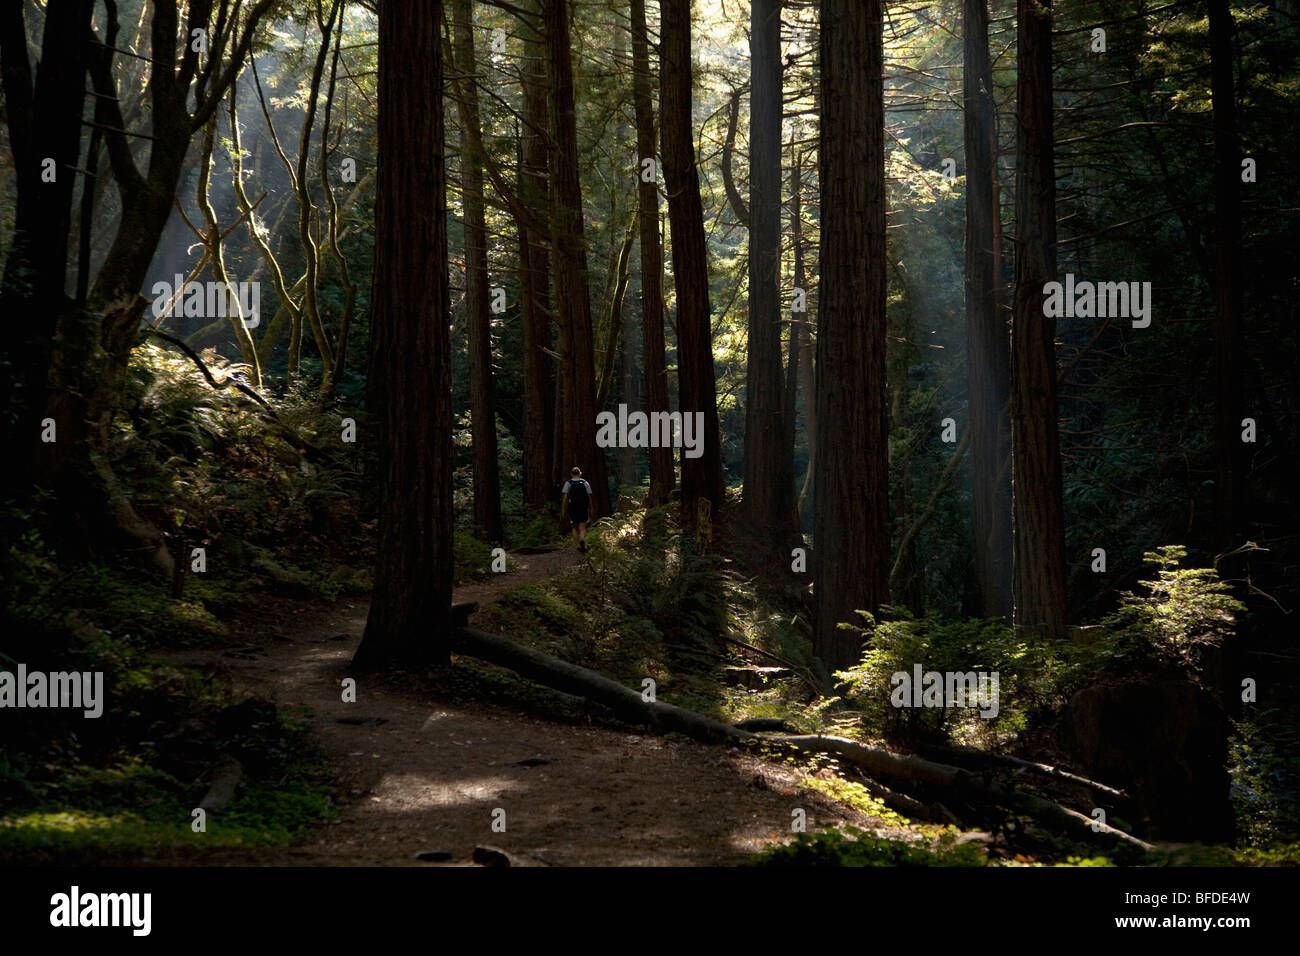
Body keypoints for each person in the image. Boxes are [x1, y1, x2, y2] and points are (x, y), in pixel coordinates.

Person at [561, 466, 594, 552]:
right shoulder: (585, 483)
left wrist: (564, 509)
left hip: (572, 507)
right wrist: (591, 507)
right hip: (583, 506)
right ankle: (582, 539)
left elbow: (565, 498)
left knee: (574, 526)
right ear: (580, 473)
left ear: (571, 474)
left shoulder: (568, 483)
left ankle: (578, 545)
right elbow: (589, 496)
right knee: (582, 526)